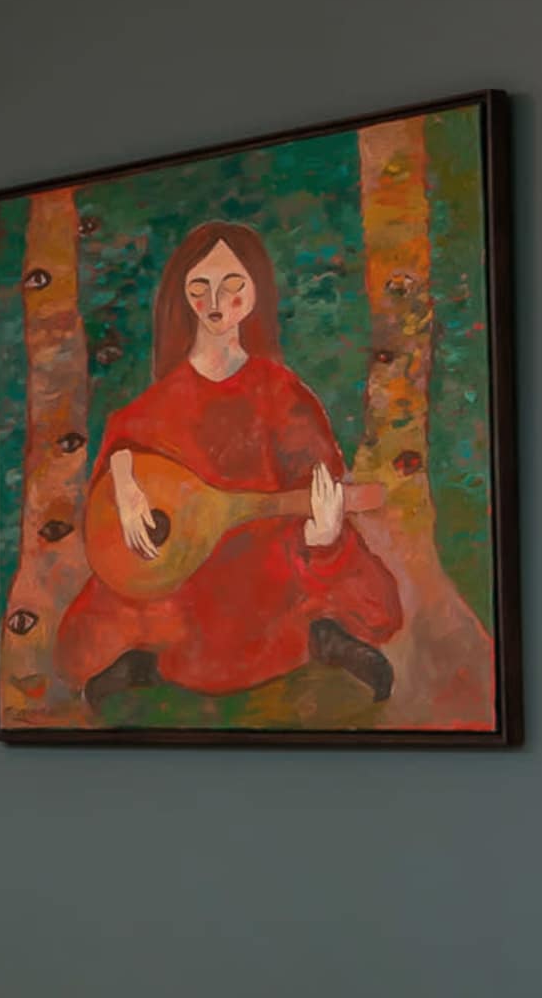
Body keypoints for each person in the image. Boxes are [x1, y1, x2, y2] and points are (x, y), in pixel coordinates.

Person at [59, 220, 400, 712]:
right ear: (183, 298)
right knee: (104, 627)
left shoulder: (282, 393)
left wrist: (324, 535)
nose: (216, 300)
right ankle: (157, 660)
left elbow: (318, 481)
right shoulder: (161, 399)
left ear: (256, 291)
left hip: (268, 562)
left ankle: (315, 639)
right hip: (184, 574)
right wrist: (126, 486)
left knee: (354, 598)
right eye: (200, 287)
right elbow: (123, 443)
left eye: (231, 285)